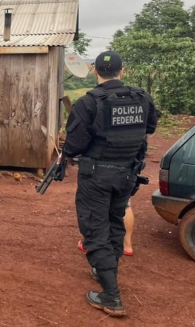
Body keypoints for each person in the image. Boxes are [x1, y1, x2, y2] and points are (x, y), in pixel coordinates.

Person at [58, 51, 157, 317]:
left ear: (95, 71)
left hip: (97, 176)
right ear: (122, 71)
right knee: (115, 222)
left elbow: (76, 144)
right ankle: (105, 269)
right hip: (127, 174)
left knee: (95, 228)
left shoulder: (88, 103)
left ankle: (111, 297)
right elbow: (150, 128)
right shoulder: (142, 98)